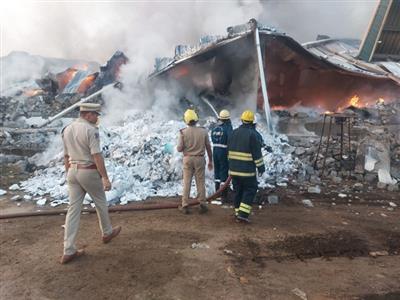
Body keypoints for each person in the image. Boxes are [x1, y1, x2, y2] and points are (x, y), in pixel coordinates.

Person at [60, 103, 121, 264]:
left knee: (73, 209)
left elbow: (66, 157)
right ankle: (107, 232)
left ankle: (68, 249)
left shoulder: (67, 129)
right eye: (95, 114)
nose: (97, 117)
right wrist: (105, 177)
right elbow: (97, 156)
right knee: (100, 202)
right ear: (87, 114)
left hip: (73, 171)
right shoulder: (90, 130)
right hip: (88, 171)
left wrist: (69, 175)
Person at [228, 110, 265, 223]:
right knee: (250, 189)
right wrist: (261, 167)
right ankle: (243, 215)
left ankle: (237, 212)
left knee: (238, 191)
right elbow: (256, 154)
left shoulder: (233, 133)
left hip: (234, 170)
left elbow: (228, 151)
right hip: (247, 171)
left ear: (242, 120)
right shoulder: (252, 135)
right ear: (252, 122)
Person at [177, 109, 213, 214]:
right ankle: (202, 204)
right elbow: (208, 147)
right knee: (200, 182)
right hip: (200, 159)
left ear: (186, 121)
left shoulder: (183, 132)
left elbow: (179, 149)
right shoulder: (203, 131)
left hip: (187, 159)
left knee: (187, 182)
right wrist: (210, 161)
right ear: (196, 120)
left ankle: (185, 205)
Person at [210, 109, 233, 201]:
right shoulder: (227, 128)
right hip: (223, 151)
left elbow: (212, 138)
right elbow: (231, 139)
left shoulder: (215, 128)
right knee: (224, 171)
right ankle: (224, 194)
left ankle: (217, 191)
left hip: (215, 151)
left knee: (217, 171)